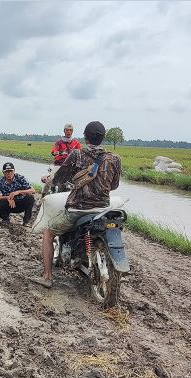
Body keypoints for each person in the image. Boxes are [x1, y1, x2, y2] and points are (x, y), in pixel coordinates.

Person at [32, 121, 121, 288]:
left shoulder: (77, 154)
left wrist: (47, 179)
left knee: (47, 234)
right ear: (103, 138)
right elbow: (114, 186)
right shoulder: (114, 159)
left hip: (78, 209)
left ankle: (47, 277)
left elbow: (60, 179)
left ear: (85, 137)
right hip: (102, 207)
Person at [39, 123, 82, 200]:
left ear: (72, 131)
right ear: (64, 131)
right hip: (60, 164)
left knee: (80, 179)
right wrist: (56, 152)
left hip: (71, 165)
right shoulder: (59, 142)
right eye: (67, 130)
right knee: (50, 179)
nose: (68, 132)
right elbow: (54, 150)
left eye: (70, 130)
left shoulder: (76, 143)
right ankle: (42, 197)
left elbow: (80, 152)